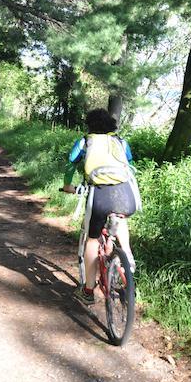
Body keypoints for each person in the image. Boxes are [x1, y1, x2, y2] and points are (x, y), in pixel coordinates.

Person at [63, 108, 138, 305]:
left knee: (92, 240)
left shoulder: (85, 141)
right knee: (120, 219)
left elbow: (70, 164)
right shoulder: (121, 142)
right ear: (111, 125)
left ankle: (88, 292)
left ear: (90, 125)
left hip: (100, 194)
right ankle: (127, 258)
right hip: (126, 193)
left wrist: (67, 186)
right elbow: (129, 165)